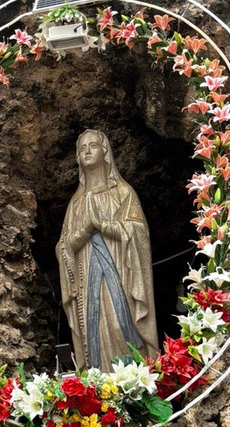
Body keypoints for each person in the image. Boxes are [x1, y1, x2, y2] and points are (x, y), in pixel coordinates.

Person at [57, 130, 158, 370]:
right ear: (78, 159)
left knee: (118, 322)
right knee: (94, 327)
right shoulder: (76, 204)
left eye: (93, 146)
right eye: (82, 149)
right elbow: (62, 247)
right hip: (86, 281)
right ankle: (98, 385)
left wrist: (103, 226)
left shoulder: (123, 193)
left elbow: (139, 234)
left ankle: (134, 379)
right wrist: (83, 232)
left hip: (122, 275)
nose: (88, 151)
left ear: (106, 152)